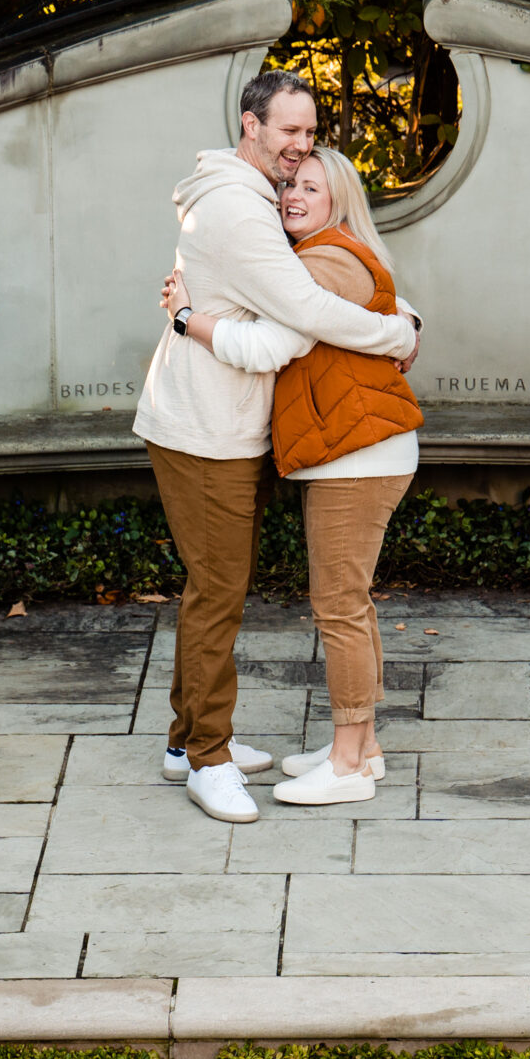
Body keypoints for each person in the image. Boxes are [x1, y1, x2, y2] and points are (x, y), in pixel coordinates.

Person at [136, 71, 420, 825]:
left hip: (232, 429)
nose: (299, 148)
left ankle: (182, 742)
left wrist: (398, 307)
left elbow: (330, 271)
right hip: (207, 429)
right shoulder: (238, 208)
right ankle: (207, 759)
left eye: (308, 132)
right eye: (287, 131)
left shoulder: (255, 199)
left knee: (214, 588)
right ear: (250, 123)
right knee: (218, 594)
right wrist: (399, 332)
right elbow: (294, 321)